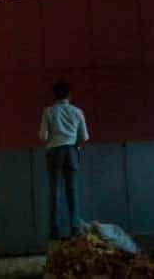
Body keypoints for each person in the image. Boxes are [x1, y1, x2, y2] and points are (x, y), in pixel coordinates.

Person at [39, 80, 89, 240]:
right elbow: (85, 137)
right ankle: (75, 227)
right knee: (72, 190)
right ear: (69, 95)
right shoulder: (77, 111)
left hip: (54, 152)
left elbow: (43, 136)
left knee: (55, 191)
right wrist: (76, 146)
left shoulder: (48, 111)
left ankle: (55, 229)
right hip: (72, 152)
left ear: (54, 95)